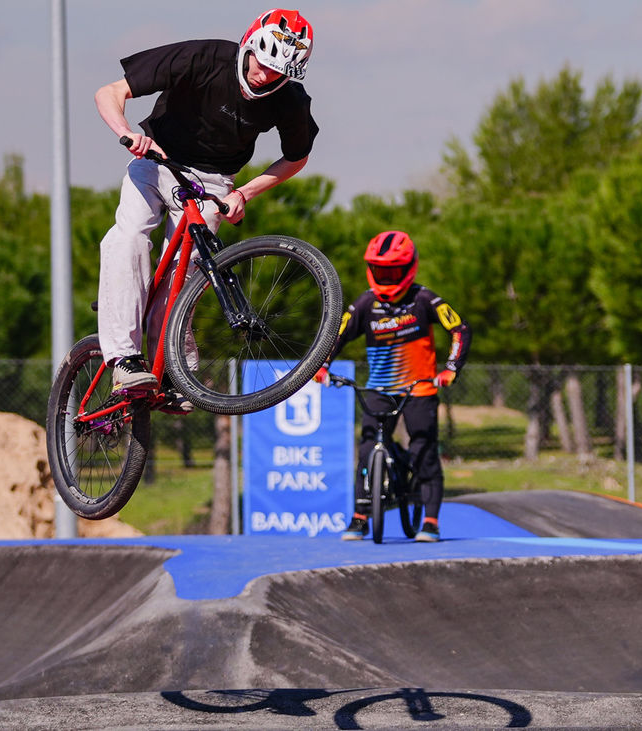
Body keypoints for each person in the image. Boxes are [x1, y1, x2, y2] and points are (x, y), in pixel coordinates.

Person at [94, 9, 318, 413]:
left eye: (277, 73)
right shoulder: (202, 57)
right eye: (261, 63)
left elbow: (297, 157)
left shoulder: (289, 100)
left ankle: (172, 370)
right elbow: (110, 92)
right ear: (249, 45)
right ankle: (124, 360)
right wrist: (127, 133)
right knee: (128, 237)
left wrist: (246, 193)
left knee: (190, 268)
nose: (264, 76)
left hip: (212, 182)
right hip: (157, 159)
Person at [315, 231, 471, 542]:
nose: (386, 277)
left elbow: (460, 329)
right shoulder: (365, 304)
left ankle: (430, 521)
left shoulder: (425, 299)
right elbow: (337, 334)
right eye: (380, 270)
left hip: (420, 389)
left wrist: (451, 369)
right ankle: (360, 518)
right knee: (366, 450)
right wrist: (322, 365)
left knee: (424, 451)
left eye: (393, 271)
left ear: (410, 267)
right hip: (379, 389)